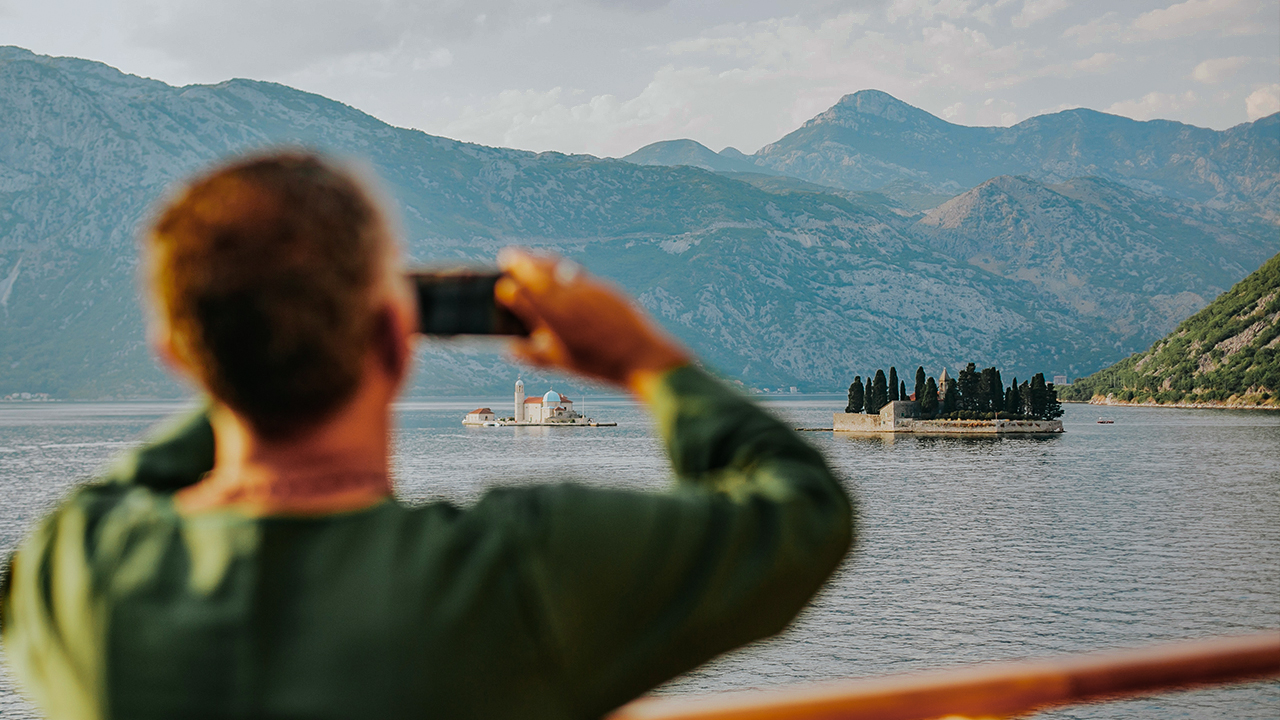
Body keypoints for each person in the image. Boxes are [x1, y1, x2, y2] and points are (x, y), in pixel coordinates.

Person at [0, 151, 853, 720]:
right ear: (394, 343)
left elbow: (110, 496)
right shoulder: (516, 578)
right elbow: (805, 510)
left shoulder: (79, 576)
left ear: (178, 357)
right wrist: (642, 357)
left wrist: (250, 346)